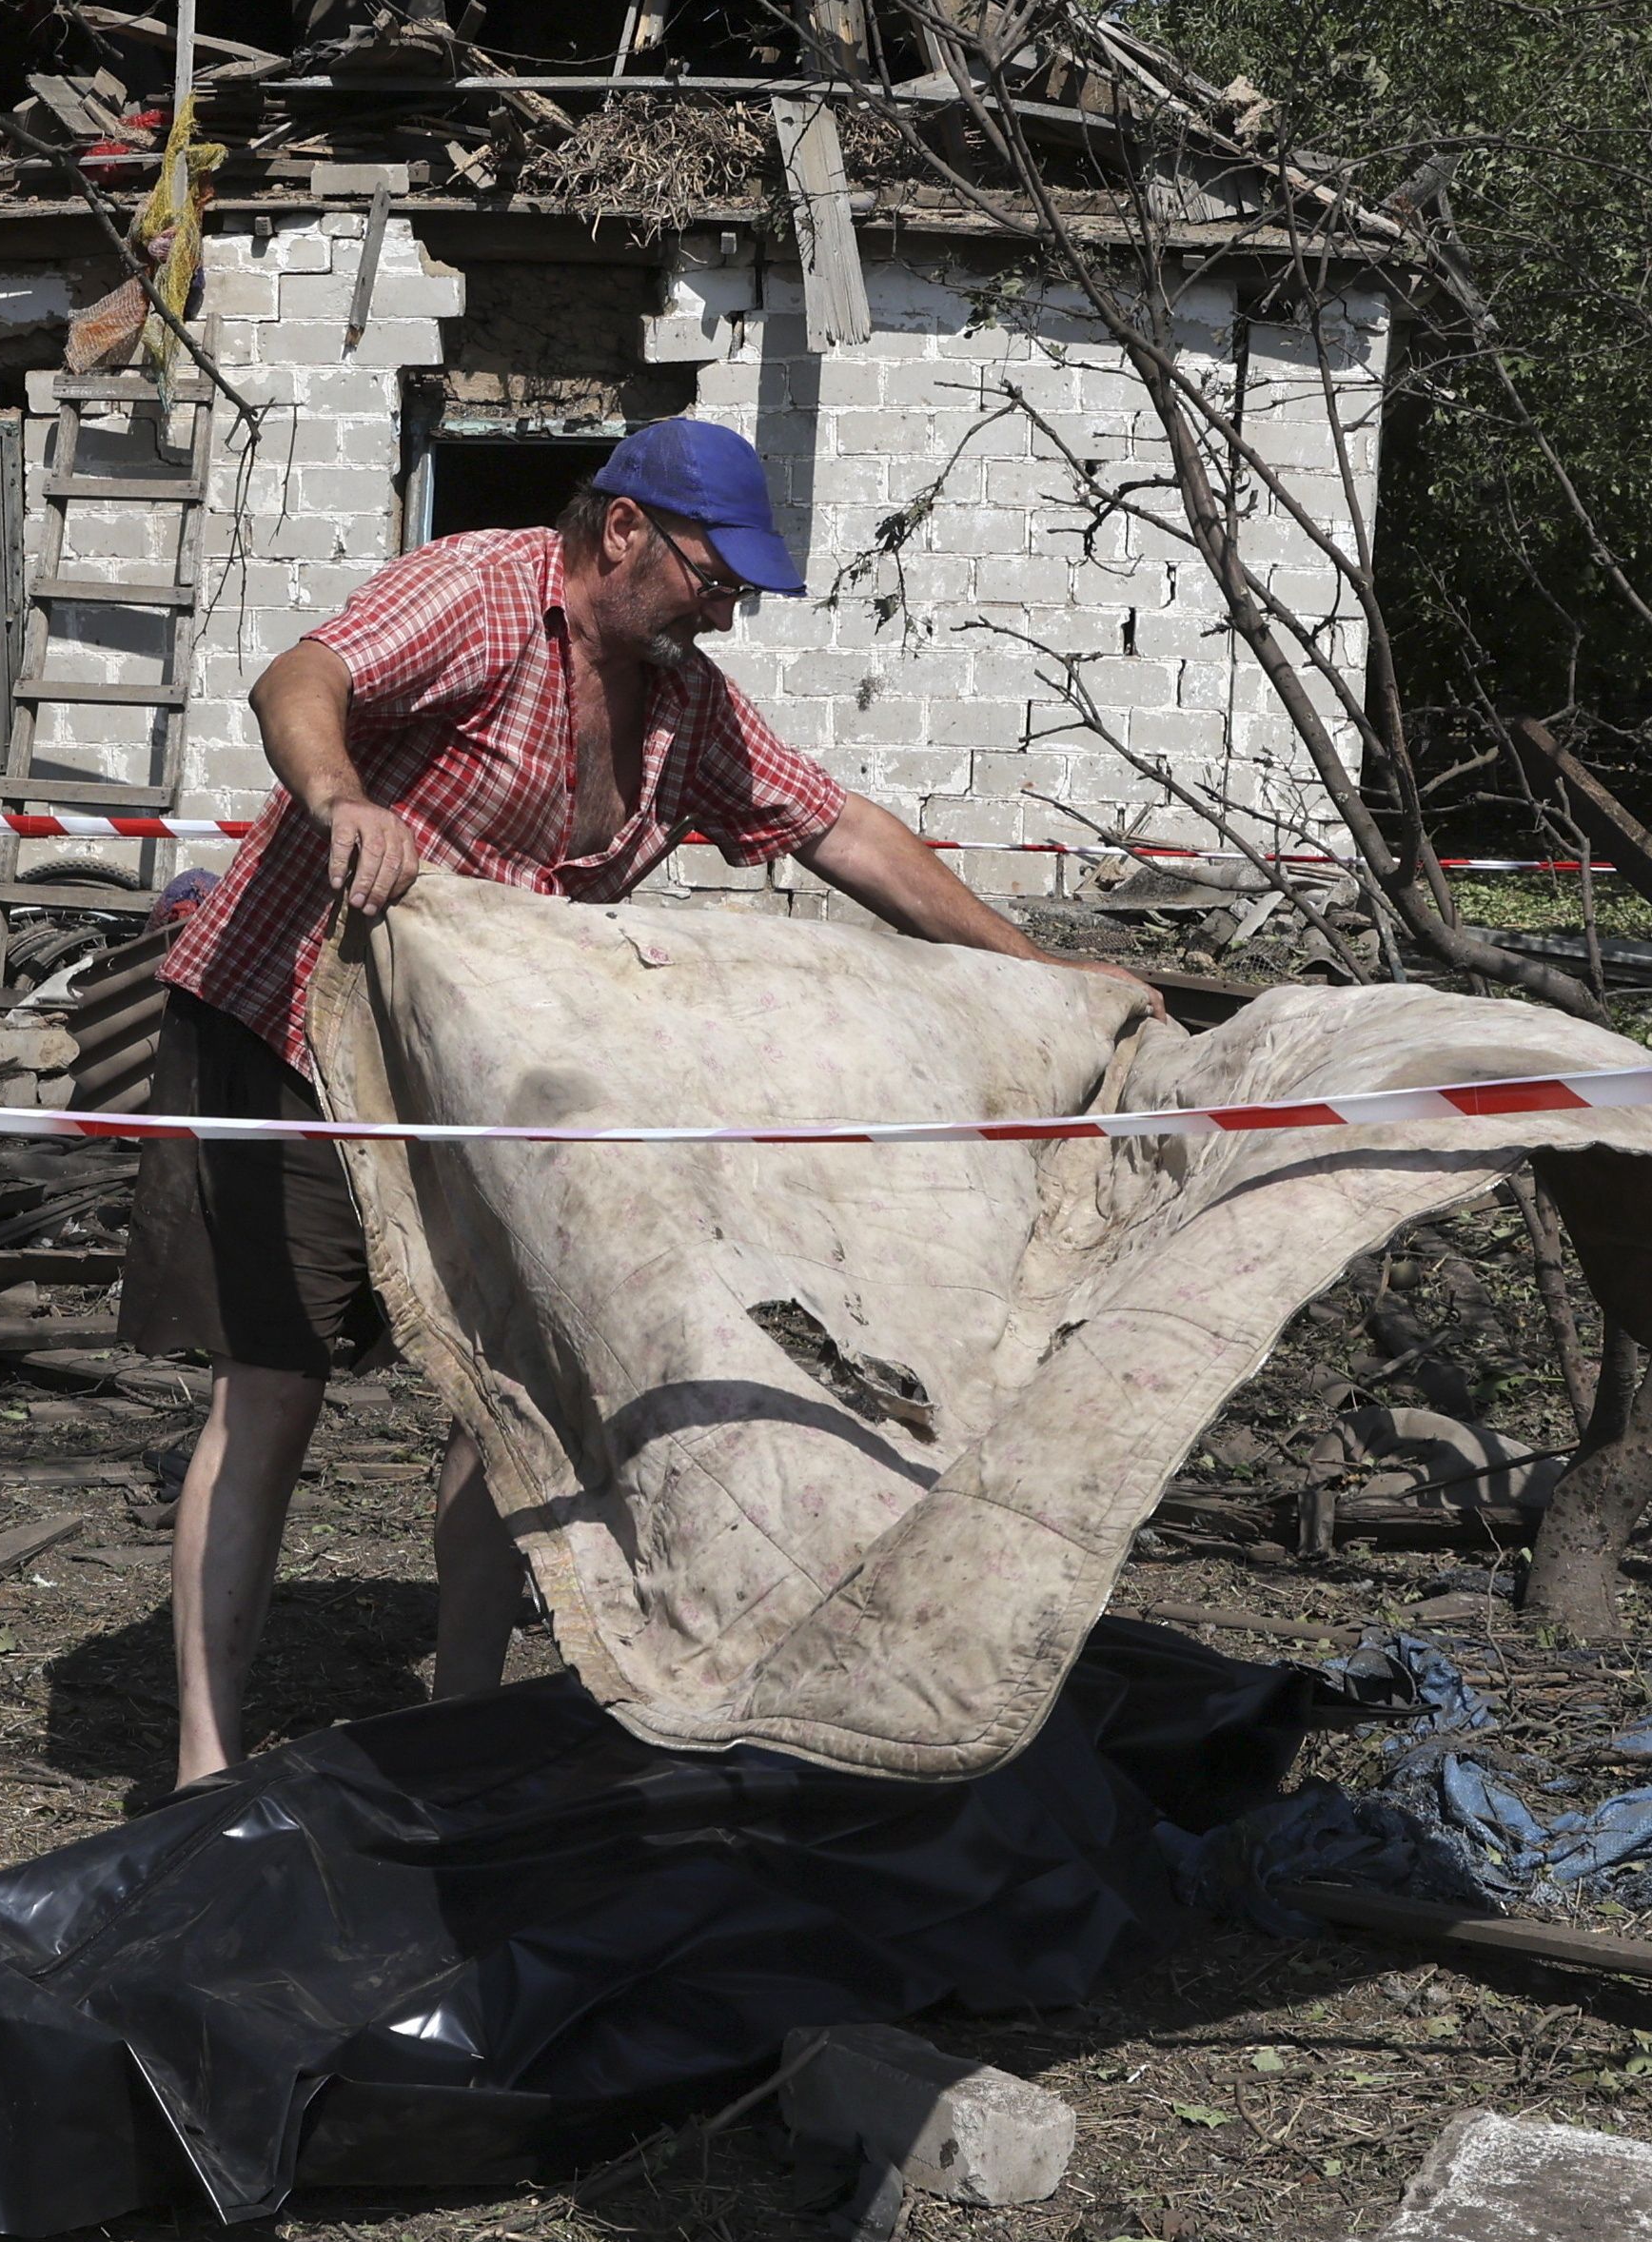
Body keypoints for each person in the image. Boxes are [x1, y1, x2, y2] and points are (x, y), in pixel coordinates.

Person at [123, 415, 1136, 1787]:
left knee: (510, 1398)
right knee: (274, 1391)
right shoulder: (482, 593)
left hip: (470, 1084)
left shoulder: (682, 704)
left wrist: (1043, 976)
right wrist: (340, 793)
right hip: (284, 1024)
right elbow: (301, 674)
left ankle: (461, 1721)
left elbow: (839, 829)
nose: (730, 606)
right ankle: (202, 1764)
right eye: (716, 573)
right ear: (622, 532)